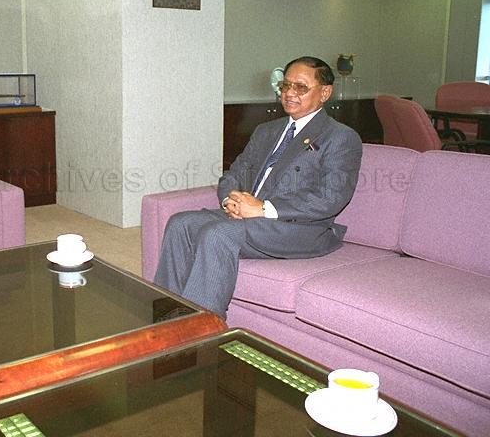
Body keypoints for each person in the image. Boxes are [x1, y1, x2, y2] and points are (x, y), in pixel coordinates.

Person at [154, 56, 363, 319]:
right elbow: (235, 172)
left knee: (219, 234)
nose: (289, 93)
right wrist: (230, 199)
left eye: (300, 87)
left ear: (325, 93)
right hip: (251, 217)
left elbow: (331, 197)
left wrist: (263, 208)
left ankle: (203, 329)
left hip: (301, 228)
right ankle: (166, 318)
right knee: (180, 223)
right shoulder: (267, 130)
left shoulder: (341, 137)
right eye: (285, 85)